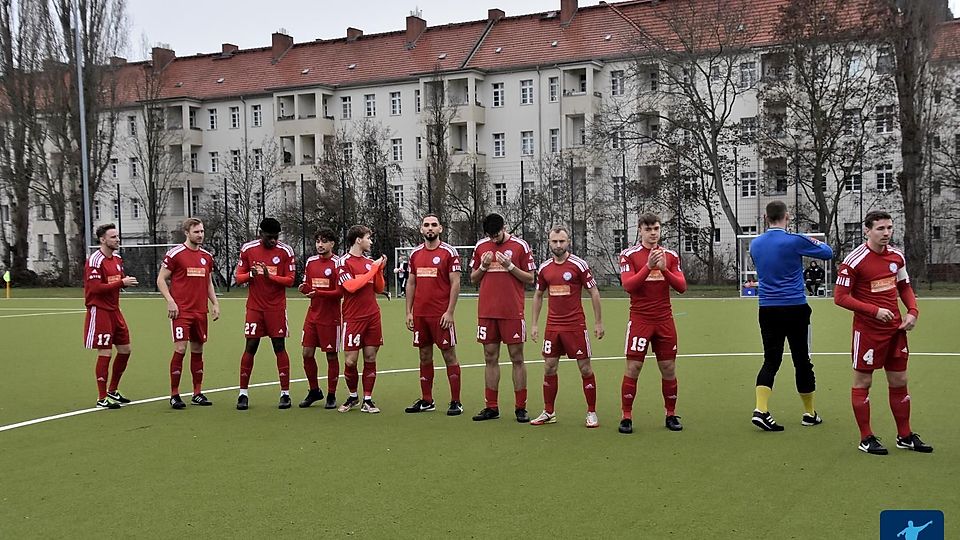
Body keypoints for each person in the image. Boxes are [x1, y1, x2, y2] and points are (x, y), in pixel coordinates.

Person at [834, 210, 933, 455]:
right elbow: (840, 298)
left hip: (896, 330)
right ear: (867, 230)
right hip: (867, 331)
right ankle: (866, 438)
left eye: (889, 228)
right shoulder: (854, 261)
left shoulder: (897, 257)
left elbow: (904, 286)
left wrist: (912, 311)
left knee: (899, 381)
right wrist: (874, 311)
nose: (886, 233)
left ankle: (905, 436)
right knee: (863, 382)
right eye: (880, 228)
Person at [748, 200, 833, 431]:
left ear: (766, 218)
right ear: (787, 216)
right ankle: (809, 413)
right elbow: (827, 252)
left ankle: (761, 409)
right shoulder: (794, 240)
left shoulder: (755, 244)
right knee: (802, 360)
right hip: (795, 307)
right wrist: (805, 238)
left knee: (771, 360)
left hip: (767, 308)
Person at [617, 214, 687, 434]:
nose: (653, 233)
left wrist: (664, 269)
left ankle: (671, 413)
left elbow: (682, 286)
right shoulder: (629, 255)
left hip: (664, 320)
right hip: (640, 320)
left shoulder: (671, 256)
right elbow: (628, 286)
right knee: (634, 367)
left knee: (668, 368)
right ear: (640, 230)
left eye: (656, 228)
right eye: (648, 229)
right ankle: (626, 416)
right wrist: (648, 267)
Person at [529, 226, 604, 428]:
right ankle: (549, 411)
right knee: (549, 367)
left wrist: (598, 322)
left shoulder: (579, 265)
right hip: (553, 326)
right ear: (549, 242)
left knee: (585, 368)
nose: (558, 245)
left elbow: (594, 292)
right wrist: (535, 324)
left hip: (575, 325)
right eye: (554, 241)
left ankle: (591, 412)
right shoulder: (544, 268)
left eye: (562, 241)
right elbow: (538, 295)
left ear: (568, 241)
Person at [470, 213, 536, 422]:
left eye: (496, 235)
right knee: (490, 357)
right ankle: (491, 406)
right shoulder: (481, 247)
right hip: (487, 312)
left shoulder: (520, 246)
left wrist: (510, 266)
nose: (494, 239)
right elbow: (473, 279)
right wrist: (483, 266)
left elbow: (531, 278)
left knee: (517, 357)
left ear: (504, 228)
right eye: (490, 236)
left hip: (512, 311)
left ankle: (520, 407)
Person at [403, 214, 464, 416]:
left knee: (449, 355)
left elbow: (455, 282)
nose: (430, 228)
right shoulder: (415, 254)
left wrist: (450, 311)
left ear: (440, 229)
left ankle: (456, 401)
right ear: (421, 229)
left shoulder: (448, 252)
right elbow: (411, 283)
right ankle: (427, 400)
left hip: (441, 315)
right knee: (424, 355)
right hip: (420, 315)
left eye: (434, 225)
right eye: (426, 225)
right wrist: (409, 312)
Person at [157, 218, 220, 409]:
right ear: (187, 233)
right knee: (180, 349)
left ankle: (197, 392)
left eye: (202, 231)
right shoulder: (175, 254)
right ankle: (174, 394)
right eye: (196, 232)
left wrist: (215, 303)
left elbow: (208, 283)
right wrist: (170, 301)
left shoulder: (207, 257)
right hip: (181, 311)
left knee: (198, 350)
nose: (200, 235)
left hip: (200, 311)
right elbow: (161, 279)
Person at [234, 218, 297, 410]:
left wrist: (270, 276)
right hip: (255, 308)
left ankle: (285, 394)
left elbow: (290, 280)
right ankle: (243, 394)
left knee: (279, 346)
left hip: (276, 308)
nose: (273, 241)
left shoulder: (285, 251)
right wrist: (251, 274)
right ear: (261, 234)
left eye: (276, 237)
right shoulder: (248, 249)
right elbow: (238, 278)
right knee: (250, 346)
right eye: (270, 237)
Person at [83, 223, 139, 409]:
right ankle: (101, 398)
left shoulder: (117, 259)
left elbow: (116, 282)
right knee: (105, 352)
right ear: (102, 239)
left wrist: (124, 282)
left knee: (125, 350)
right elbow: (95, 288)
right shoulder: (94, 260)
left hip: (115, 310)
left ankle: (112, 390)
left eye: (117, 236)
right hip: (99, 311)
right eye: (113, 237)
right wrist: (121, 282)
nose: (117, 239)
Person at [336, 225, 387, 414]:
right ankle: (352, 396)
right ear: (358, 240)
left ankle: (368, 399)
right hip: (353, 317)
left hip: (372, 316)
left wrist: (379, 270)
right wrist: (373, 270)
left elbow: (379, 289)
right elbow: (350, 286)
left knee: (370, 357)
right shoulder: (343, 262)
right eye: (368, 238)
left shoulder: (369, 263)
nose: (370, 241)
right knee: (350, 361)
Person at [297, 228, 342, 409]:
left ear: (332, 243)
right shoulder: (311, 262)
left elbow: (340, 292)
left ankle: (331, 394)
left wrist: (320, 293)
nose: (320, 245)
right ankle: (314, 390)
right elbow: (309, 285)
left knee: (331, 356)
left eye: (324, 241)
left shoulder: (339, 263)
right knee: (307, 353)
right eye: (317, 241)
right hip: (312, 315)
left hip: (330, 318)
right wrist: (304, 288)